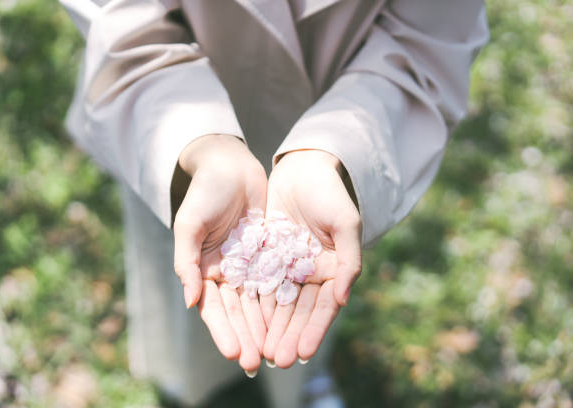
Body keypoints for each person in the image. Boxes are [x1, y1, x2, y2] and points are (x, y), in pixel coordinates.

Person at [59, 0, 489, 406]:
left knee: (327, 274)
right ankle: (187, 379)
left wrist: (336, 150)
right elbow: (120, 19)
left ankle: (303, 375)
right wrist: (199, 142)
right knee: (187, 272)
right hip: (170, 122)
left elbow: (428, 41)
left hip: (343, 114)